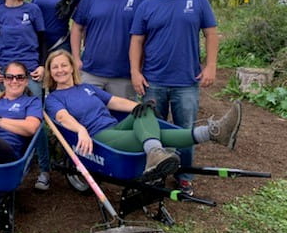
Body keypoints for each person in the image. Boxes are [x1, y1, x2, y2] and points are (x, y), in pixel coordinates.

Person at [44, 50, 242, 181]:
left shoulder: (86, 87)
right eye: (55, 67)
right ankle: (211, 132)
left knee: (144, 110)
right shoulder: (54, 98)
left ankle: (155, 151)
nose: (60, 70)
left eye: (64, 65)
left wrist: (139, 105)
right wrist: (81, 130)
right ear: (50, 73)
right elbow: (62, 118)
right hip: (98, 137)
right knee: (150, 137)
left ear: (71, 67)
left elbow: (114, 101)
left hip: (114, 126)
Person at [129, 0, 219, 195]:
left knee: (185, 131)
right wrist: (135, 72)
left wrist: (210, 66)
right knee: (152, 131)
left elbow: (211, 34)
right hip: (153, 80)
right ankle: (155, 174)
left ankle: (184, 176)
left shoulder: (197, 1)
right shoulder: (147, 5)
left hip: (186, 82)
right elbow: (137, 40)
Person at [0, 0, 51, 190]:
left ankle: (44, 169)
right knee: (3, 117)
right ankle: (10, 161)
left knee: (36, 122)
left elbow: (43, 40)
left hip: (30, 71)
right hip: (6, 74)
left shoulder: (32, 10)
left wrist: (43, 65)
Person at [70, 0, 146, 99]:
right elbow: (77, 27)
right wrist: (76, 58)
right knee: (89, 117)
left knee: (122, 120)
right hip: (91, 73)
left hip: (124, 76)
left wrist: (138, 70)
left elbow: (146, 36)